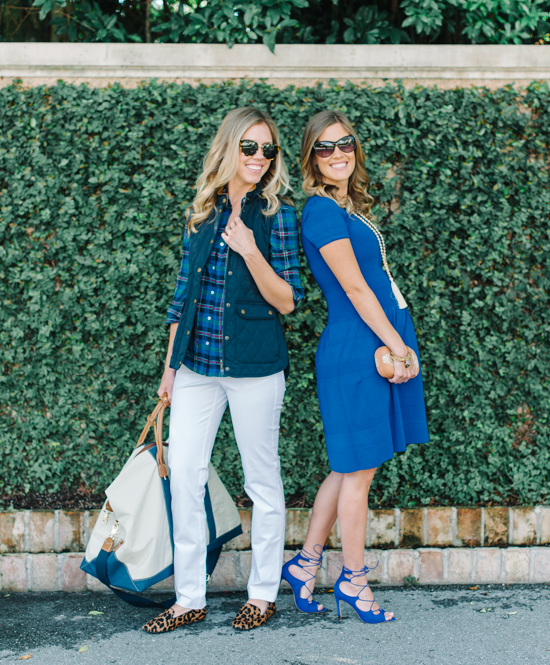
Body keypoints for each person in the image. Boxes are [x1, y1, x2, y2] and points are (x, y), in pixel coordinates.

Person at [142, 107, 304, 634]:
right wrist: (170, 370)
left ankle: (262, 594)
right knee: (185, 474)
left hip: (256, 368)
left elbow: (288, 301)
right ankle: (189, 598)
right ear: (230, 147)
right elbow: (182, 299)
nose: (259, 159)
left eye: (268, 150)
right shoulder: (203, 210)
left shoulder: (278, 214)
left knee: (262, 480)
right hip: (196, 366)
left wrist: (252, 251)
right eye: (250, 148)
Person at [282, 110, 428, 624]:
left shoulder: (344, 208)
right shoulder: (321, 212)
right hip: (359, 346)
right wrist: (397, 344)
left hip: (369, 342)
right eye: (325, 148)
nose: (338, 153)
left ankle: (304, 566)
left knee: (347, 466)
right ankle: (354, 580)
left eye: (345, 143)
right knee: (359, 473)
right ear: (310, 159)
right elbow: (356, 289)